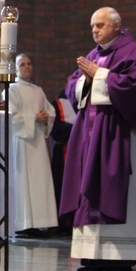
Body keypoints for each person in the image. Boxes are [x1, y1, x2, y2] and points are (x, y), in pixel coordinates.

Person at [60, 7, 136, 271]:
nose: (95, 30)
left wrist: (99, 75)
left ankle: (119, 258)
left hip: (121, 138)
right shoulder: (93, 55)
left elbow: (133, 90)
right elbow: (73, 88)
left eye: (100, 25)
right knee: (88, 191)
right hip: (91, 136)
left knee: (117, 189)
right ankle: (92, 256)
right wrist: (85, 81)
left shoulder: (135, 53)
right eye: (92, 26)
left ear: (117, 26)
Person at [6, 54, 58, 238]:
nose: (27, 67)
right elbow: (9, 116)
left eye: (29, 64)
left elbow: (50, 112)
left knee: (39, 181)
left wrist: (45, 118)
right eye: (22, 64)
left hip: (37, 142)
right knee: (23, 182)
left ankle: (40, 223)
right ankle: (23, 224)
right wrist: (33, 118)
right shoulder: (11, 89)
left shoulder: (38, 90)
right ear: (15, 68)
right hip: (20, 142)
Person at [49, 73, 76, 234]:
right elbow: (56, 130)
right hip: (63, 153)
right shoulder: (58, 104)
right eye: (71, 79)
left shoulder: (81, 100)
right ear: (65, 83)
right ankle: (64, 222)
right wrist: (75, 130)